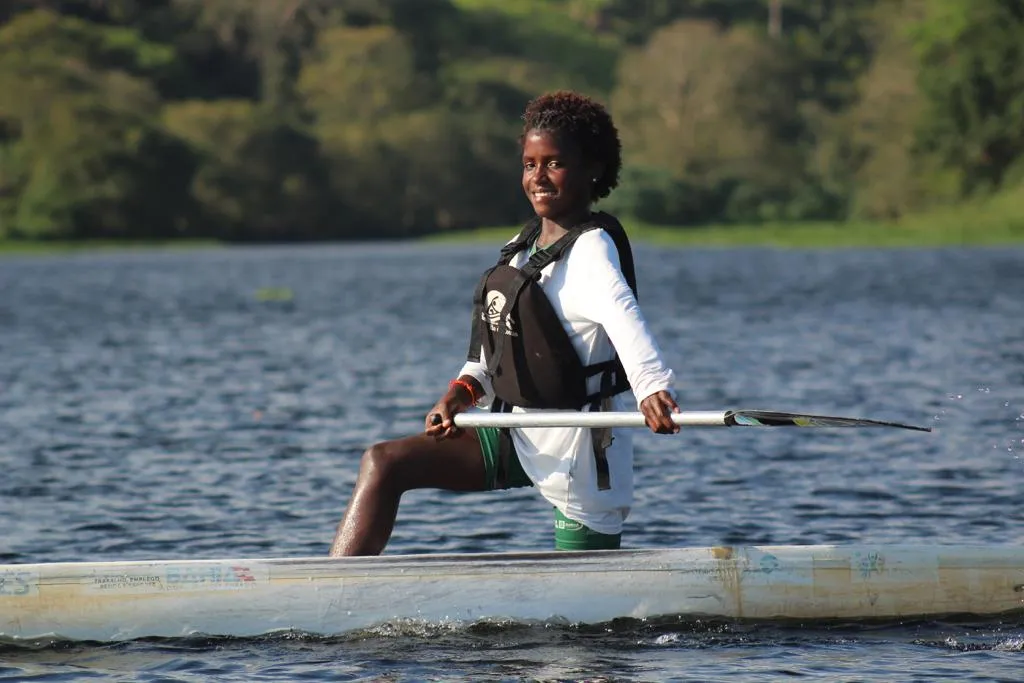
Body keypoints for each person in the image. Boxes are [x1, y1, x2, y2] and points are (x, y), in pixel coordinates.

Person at [329, 90, 679, 557]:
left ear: (592, 168)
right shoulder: (522, 245)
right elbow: (492, 351)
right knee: (385, 462)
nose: (539, 178)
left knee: (589, 620)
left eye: (554, 163)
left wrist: (652, 387)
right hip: (512, 429)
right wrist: (460, 392)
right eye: (530, 164)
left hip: (579, 444)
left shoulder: (593, 249)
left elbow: (623, 314)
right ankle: (335, 590)